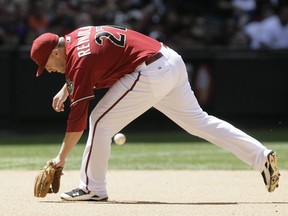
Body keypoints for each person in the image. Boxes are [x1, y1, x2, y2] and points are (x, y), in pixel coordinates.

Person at [30, 25, 280, 201]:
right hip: (170, 60)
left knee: (99, 122)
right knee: (199, 122)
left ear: (54, 52)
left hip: (149, 71)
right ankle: (261, 156)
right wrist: (67, 87)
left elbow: (78, 121)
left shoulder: (78, 61)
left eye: (47, 65)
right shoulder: (76, 36)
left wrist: (60, 158)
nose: (49, 70)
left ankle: (91, 188)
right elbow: (91, 59)